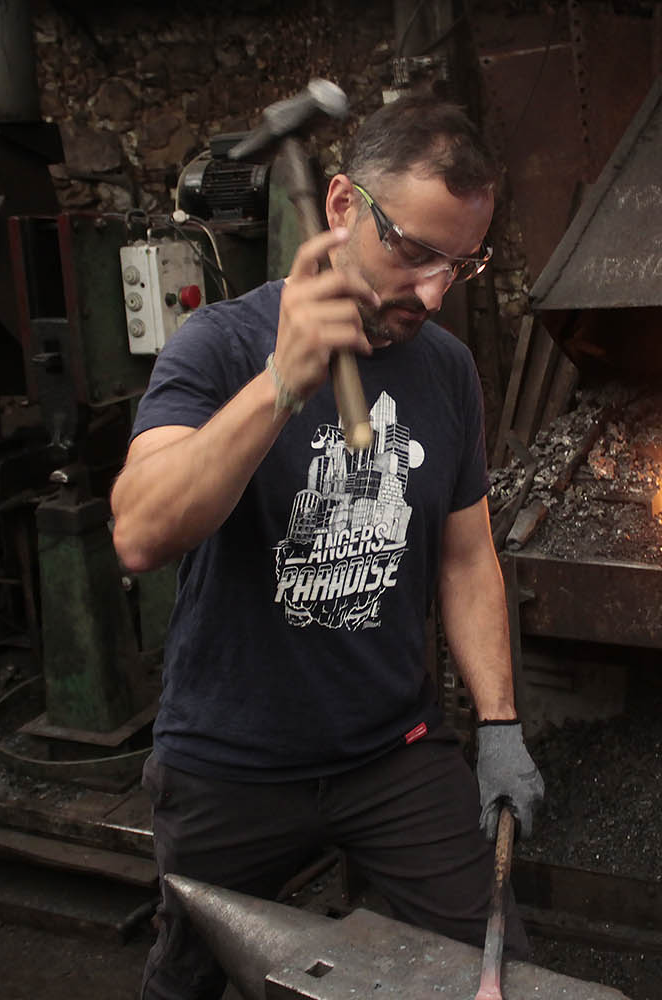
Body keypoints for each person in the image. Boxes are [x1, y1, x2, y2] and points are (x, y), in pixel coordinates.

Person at [110, 94, 546, 1000]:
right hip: (230, 759)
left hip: (392, 752)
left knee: (497, 970)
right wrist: (284, 381)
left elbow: (467, 557)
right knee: (188, 978)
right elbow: (140, 533)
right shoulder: (221, 344)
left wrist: (500, 725)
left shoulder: (446, 370)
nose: (434, 292)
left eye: (460, 264)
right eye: (414, 252)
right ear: (342, 205)